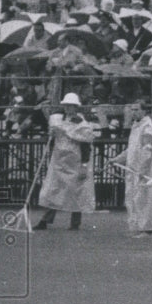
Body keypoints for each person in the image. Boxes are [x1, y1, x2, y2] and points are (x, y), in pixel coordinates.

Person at [33, 93, 98, 231]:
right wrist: (52, 134)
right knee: (53, 190)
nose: (68, 108)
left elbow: (85, 145)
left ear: (75, 107)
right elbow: (54, 139)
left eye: (71, 106)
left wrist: (84, 165)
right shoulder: (57, 119)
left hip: (75, 161)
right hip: (59, 160)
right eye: (67, 106)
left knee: (76, 191)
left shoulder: (81, 123)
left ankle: (75, 223)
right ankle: (45, 220)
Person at [109, 102, 152, 237]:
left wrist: (143, 171)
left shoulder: (148, 127)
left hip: (143, 170)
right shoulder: (136, 126)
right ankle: (140, 227)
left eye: (137, 110)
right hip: (133, 169)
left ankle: (149, 230)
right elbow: (132, 148)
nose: (134, 112)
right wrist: (118, 159)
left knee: (144, 198)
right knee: (133, 198)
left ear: (144, 111)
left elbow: (147, 150)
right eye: (132, 110)